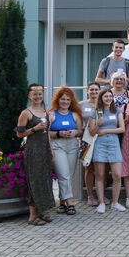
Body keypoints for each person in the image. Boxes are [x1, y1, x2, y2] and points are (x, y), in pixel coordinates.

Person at [16, 83, 55, 226]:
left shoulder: (45, 111)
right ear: (29, 96)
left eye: (40, 94)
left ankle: (42, 211)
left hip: (45, 150)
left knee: (45, 180)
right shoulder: (26, 113)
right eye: (35, 94)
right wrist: (35, 128)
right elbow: (20, 134)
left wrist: (51, 150)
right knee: (35, 181)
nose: (38, 96)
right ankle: (32, 216)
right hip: (33, 151)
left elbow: (48, 134)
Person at [88, 88, 126, 213]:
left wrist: (105, 130)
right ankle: (101, 203)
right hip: (100, 144)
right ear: (101, 98)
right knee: (99, 175)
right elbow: (91, 132)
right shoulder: (95, 112)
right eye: (106, 97)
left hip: (114, 143)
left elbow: (122, 129)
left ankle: (115, 202)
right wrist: (98, 124)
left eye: (110, 96)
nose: (108, 98)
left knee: (117, 175)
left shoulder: (117, 110)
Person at [48, 86, 83, 216]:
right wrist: (58, 133)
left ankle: (62, 203)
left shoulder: (74, 115)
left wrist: (75, 132)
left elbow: (80, 131)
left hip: (72, 146)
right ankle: (70, 203)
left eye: (68, 99)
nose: (65, 102)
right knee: (63, 174)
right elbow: (46, 133)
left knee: (69, 175)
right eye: (63, 99)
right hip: (58, 146)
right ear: (58, 100)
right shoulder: (51, 114)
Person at [80, 82, 101, 206]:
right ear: (87, 91)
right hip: (87, 139)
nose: (94, 92)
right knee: (89, 167)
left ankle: (100, 195)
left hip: (101, 138)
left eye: (96, 90)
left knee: (101, 168)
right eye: (91, 90)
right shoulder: (81, 105)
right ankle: (90, 195)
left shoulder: (103, 104)